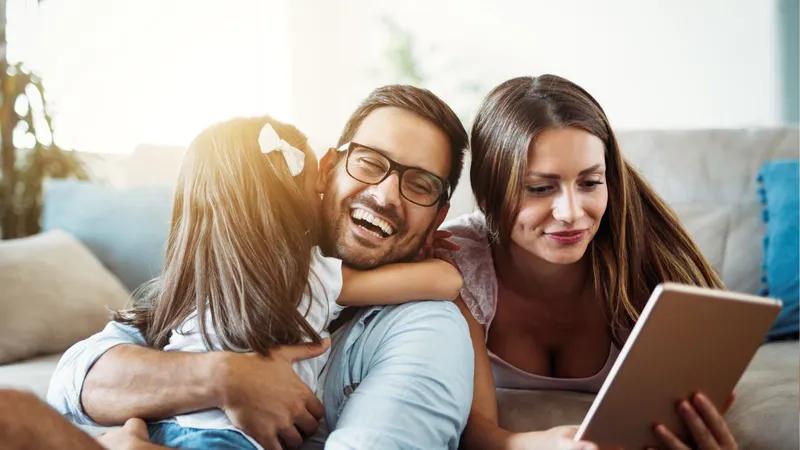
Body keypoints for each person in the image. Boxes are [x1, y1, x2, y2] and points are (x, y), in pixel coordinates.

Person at [45, 85, 475, 450]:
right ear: (326, 171)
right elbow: (73, 383)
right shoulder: (237, 272)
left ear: (437, 218)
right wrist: (223, 378)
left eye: (420, 185)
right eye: (369, 162)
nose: (385, 196)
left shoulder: (427, 326)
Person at [441, 74, 737, 450]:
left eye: (590, 183)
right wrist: (544, 444)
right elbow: (480, 434)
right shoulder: (457, 263)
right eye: (539, 188)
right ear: (486, 193)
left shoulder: (647, 258)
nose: (571, 213)